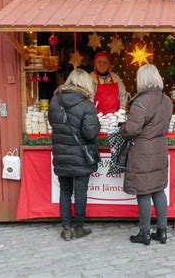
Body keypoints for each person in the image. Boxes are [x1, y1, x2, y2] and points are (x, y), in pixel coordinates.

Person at [120, 64, 173, 245]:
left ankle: (144, 233)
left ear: (141, 80)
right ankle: (162, 231)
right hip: (159, 149)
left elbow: (133, 129)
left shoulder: (140, 102)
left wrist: (122, 128)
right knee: (158, 190)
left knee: (143, 192)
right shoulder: (166, 100)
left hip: (142, 151)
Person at [48, 69, 101, 241]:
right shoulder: (87, 105)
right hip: (80, 156)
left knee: (64, 190)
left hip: (61, 154)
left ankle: (66, 228)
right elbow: (90, 134)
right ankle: (78, 227)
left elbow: (54, 124)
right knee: (80, 192)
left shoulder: (55, 100)